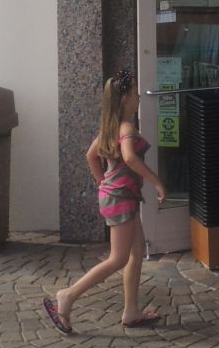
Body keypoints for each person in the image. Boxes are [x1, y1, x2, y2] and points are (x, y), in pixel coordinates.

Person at [43, 68, 166, 334]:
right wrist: (156, 181)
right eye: (135, 93)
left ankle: (131, 311)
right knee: (118, 258)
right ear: (125, 100)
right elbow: (130, 158)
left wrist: (102, 182)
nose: (139, 98)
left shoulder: (110, 128)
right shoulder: (126, 128)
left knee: (136, 252)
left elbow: (91, 155)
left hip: (119, 197)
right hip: (121, 199)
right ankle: (67, 296)